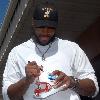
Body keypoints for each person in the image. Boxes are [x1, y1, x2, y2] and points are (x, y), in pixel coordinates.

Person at [2, 1, 99, 100]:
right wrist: (26, 80)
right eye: (41, 26)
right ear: (33, 23)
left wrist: (73, 82)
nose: (45, 32)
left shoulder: (72, 48)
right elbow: (8, 96)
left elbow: (93, 89)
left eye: (50, 27)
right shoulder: (17, 52)